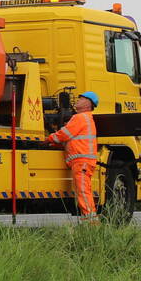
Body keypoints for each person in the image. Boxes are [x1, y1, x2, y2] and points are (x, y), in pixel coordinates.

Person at [47, 91, 99, 221]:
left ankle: (90, 220)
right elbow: (71, 139)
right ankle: (90, 218)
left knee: (83, 191)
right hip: (84, 161)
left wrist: (50, 138)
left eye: (81, 99)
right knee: (85, 190)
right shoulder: (86, 118)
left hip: (81, 161)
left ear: (88, 103)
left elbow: (64, 134)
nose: (77, 100)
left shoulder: (80, 118)